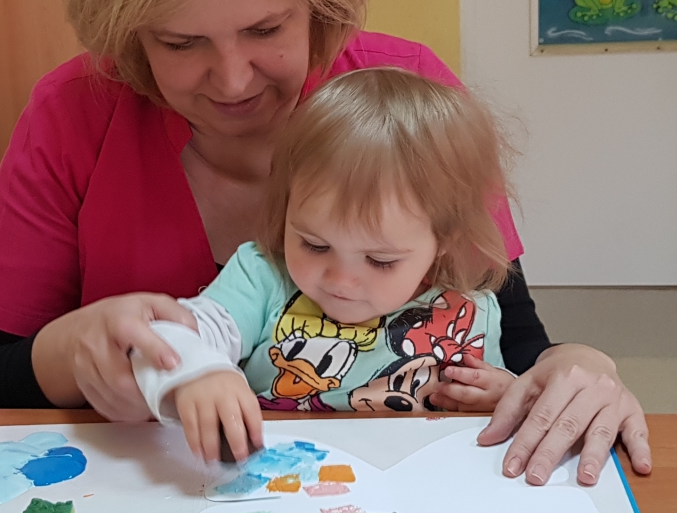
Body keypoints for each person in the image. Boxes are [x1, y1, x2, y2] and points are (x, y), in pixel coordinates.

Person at [0, 0, 652, 486]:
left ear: (319, 3)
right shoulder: (74, 116)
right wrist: (67, 353)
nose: (231, 79)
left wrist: (574, 367)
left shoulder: (401, 99)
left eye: (265, 29)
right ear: (126, 33)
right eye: (180, 42)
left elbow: (514, 337)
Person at [134, 68, 521, 462]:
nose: (341, 280)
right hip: (282, 479)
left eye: (379, 260)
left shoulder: (470, 314)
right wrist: (197, 371)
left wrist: (503, 394)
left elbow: (491, 426)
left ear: (444, 240)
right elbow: (164, 337)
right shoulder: (263, 278)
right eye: (314, 245)